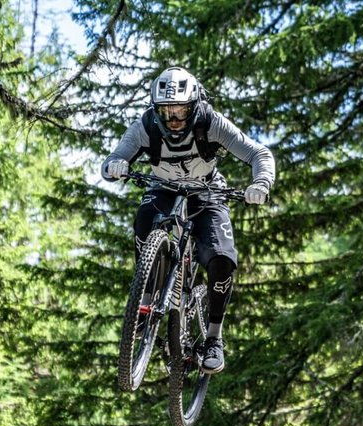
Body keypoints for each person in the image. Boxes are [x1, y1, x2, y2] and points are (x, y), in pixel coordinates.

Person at [101, 66, 274, 375]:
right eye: (166, 112)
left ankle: (213, 338)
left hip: (207, 192)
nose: (174, 119)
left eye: (180, 110)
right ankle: (146, 296)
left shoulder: (212, 123)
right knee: (145, 219)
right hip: (163, 188)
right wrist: (115, 164)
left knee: (221, 259)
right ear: (156, 110)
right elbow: (119, 154)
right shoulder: (146, 127)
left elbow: (258, 153)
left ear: (194, 106)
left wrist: (260, 184)